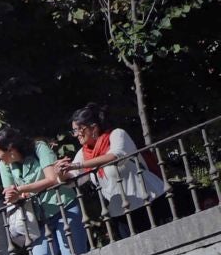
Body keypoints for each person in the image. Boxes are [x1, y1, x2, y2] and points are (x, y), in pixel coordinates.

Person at [63, 103, 166, 241]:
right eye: (74, 131)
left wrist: (77, 165)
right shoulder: (84, 153)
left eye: (79, 129)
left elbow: (115, 157)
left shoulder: (117, 135)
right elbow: (73, 179)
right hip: (121, 213)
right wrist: (61, 172)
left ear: (93, 127)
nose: (76, 135)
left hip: (150, 200)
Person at [0, 127, 88, 255]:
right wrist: (13, 197)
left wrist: (21, 190)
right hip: (37, 221)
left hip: (63, 208)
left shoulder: (39, 148)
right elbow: (11, 194)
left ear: (10, 149)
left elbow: (53, 179)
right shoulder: (4, 165)